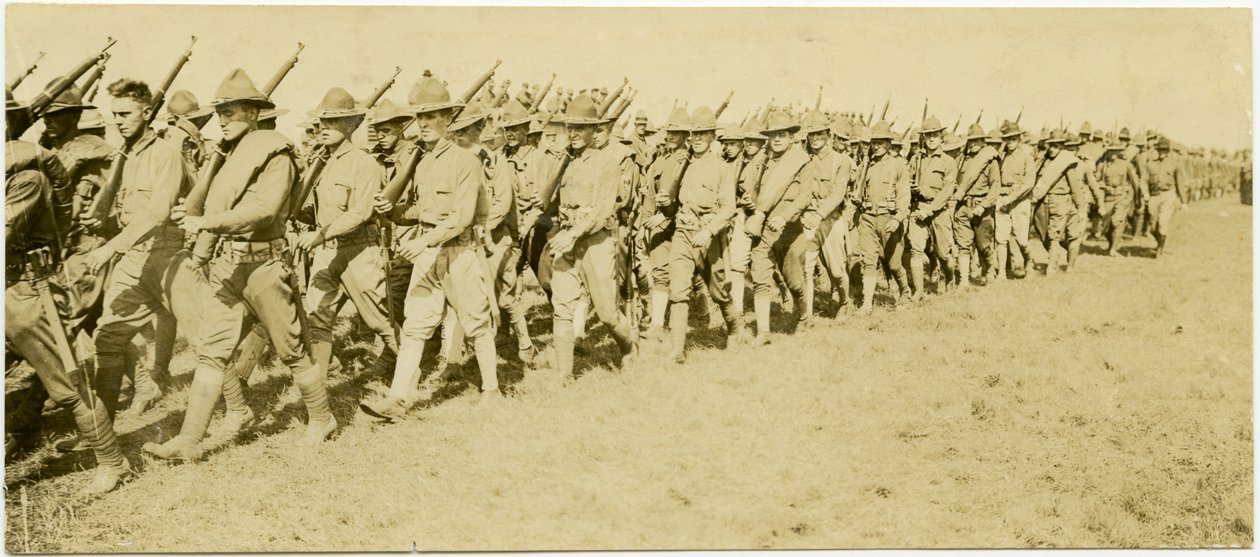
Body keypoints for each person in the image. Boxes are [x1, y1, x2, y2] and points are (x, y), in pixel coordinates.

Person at [151, 68, 336, 460]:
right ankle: (189, 439)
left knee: (292, 352)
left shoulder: (277, 153)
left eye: (231, 112)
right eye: (219, 113)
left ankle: (322, 418)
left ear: (254, 113)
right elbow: (213, 203)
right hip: (228, 265)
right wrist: (203, 245)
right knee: (211, 351)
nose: (222, 120)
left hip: (265, 267)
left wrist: (204, 224)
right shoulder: (229, 155)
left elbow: (264, 210)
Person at [6, 88, 132, 494]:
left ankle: (113, 462)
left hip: (27, 292)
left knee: (67, 387)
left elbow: (6, 232)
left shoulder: (27, 176)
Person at [361, 73, 501, 420]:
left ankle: (492, 390)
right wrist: (392, 211)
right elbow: (421, 212)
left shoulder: (466, 160)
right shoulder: (422, 162)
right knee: (415, 325)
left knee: (476, 323)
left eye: (431, 117)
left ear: (448, 119)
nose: (423, 124)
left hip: (459, 252)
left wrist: (424, 239)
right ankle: (398, 398)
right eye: (420, 118)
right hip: (429, 252)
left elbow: (463, 216)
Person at [84, 79, 190, 422]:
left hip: (167, 255)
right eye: (114, 114)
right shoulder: (127, 155)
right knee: (107, 337)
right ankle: (104, 429)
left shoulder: (166, 154)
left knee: (206, 340)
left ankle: (237, 408)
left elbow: (158, 211)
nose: (118, 120)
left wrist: (111, 248)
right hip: (135, 258)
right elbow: (129, 210)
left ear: (147, 112)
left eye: (126, 113)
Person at [291, 87, 398, 389]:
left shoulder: (363, 163)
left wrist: (320, 234)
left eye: (332, 122)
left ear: (350, 125)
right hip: (327, 251)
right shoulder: (323, 163)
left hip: (359, 250)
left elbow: (361, 212)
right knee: (317, 318)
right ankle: (318, 385)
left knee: (379, 321)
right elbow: (315, 210)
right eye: (322, 122)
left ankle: (407, 371)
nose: (323, 128)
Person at [544, 93, 640, 379]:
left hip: (595, 241)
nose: (573, 133)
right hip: (566, 238)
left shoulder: (606, 162)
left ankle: (629, 349)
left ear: (593, 130)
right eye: (569, 128)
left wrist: (573, 234)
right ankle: (564, 375)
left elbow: (602, 211)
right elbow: (546, 200)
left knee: (608, 313)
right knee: (562, 306)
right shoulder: (565, 162)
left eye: (580, 128)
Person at [666, 106, 741, 363]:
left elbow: (729, 207)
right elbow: (672, 201)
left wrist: (709, 230)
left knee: (719, 291)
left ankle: (734, 330)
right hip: (683, 234)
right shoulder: (682, 164)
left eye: (702, 134)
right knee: (678, 291)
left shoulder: (721, 168)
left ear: (711, 137)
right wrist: (666, 202)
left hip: (709, 237)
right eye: (693, 134)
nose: (696, 139)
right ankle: (677, 350)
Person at [744, 111, 817, 335]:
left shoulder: (802, 162)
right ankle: (763, 333)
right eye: (773, 135)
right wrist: (749, 201)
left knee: (794, 282)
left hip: (789, 231)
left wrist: (784, 217)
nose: (776, 139)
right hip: (762, 228)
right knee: (761, 279)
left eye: (782, 135)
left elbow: (805, 197)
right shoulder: (761, 161)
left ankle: (804, 316)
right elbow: (749, 187)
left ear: (792, 138)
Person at [798, 110, 854, 318]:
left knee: (837, 272)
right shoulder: (804, 161)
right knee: (806, 269)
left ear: (829, 135)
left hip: (830, 219)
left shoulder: (841, 161)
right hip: (807, 219)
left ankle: (845, 301)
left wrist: (819, 214)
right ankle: (807, 315)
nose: (815, 138)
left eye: (819, 133)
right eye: (811, 134)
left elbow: (838, 194)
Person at [853, 120, 909, 312]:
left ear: (888, 143)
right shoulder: (865, 166)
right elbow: (858, 191)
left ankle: (905, 292)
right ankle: (867, 303)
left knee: (894, 265)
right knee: (869, 261)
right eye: (874, 143)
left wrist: (898, 218)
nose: (876, 147)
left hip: (889, 218)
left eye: (881, 142)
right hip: (868, 217)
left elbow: (904, 195)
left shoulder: (898, 165)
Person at [907, 117, 956, 299]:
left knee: (943, 254)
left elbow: (947, 191)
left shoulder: (948, 161)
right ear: (924, 138)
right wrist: (912, 189)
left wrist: (929, 209)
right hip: (918, 209)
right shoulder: (915, 159)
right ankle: (919, 291)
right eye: (928, 136)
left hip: (938, 212)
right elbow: (907, 182)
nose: (932, 139)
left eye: (935, 135)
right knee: (916, 250)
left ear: (941, 137)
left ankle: (949, 278)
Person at [1029, 129, 1087, 273]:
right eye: (1051, 145)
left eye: (1057, 146)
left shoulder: (1066, 162)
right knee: (1044, 235)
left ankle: (1054, 267)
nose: (1053, 149)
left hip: (1061, 201)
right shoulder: (1043, 161)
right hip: (1042, 202)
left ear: (1062, 146)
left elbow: (1074, 188)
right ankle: (1055, 259)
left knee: (1055, 235)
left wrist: (1080, 207)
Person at [952, 123, 1001, 287]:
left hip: (981, 207)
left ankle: (989, 271)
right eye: (971, 141)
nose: (973, 144)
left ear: (983, 142)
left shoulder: (990, 161)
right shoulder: (961, 160)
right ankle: (964, 280)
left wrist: (983, 206)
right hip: (963, 206)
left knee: (983, 245)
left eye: (977, 141)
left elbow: (995, 188)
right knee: (963, 245)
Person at [994, 120, 1036, 279]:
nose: (1010, 142)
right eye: (1007, 139)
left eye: (1013, 139)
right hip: (1003, 199)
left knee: (1022, 239)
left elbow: (1028, 184)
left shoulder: (1027, 157)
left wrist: (1011, 198)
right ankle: (1002, 273)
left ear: (1019, 139)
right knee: (1001, 239)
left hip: (1020, 201)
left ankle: (1029, 264)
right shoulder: (1001, 157)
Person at [1095, 141, 1145, 256]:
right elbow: (1095, 180)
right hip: (1108, 197)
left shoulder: (1126, 164)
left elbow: (1135, 183)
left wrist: (1138, 199)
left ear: (1119, 151)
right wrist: (1100, 185)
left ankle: (1114, 249)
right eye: (1111, 150)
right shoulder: (1102, 165)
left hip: (1122, 197)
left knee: (1117, 220)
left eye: (1116, 150)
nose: (1113, 153)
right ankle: (1111, 243)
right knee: (1106, 226)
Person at [1143, 137, 1186, 258]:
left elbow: (1180, 183)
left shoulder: (1174, 164)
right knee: (1151, 225)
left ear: (1168, 151)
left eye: (1165, 150)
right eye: (1160, 150)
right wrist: (1145, 192)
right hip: (1154, 195)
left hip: (1168, 195)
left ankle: (1160, 249)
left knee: (1163, 222)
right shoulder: (1150, 164)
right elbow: (1144, 180)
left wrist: (1183, 201)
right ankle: (1159, 241)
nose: (1162, 152)